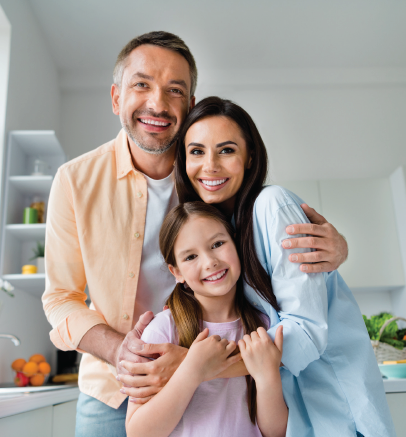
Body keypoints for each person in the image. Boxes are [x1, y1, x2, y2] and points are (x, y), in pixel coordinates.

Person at [42, 31, 348, 436]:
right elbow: (60, 298)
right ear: (116, 97)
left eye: (174, 90)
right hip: (115, 388)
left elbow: (264, 247)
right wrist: (123, 353)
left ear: (189, 106)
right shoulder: (75, 181)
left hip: (219, 375)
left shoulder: (208, 178)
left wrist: (337, 253)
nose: (157, 103)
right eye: (141, 85)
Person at [170, 96, 394, 436]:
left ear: (250, 158)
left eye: (227, 150)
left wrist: (196, 369)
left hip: (335, 409)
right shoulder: (217, 229)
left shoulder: (272, 207)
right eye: (197, 152)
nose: (210, 165)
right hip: (286, 413)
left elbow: (305, 334)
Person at [124, 202, 287, 437]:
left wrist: (267, 376)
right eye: (190, 256)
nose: (210, 261)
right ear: (176, 272)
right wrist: (191, 370)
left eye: (218, 244)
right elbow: (139, 433)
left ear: (236, 243)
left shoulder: (265, 327)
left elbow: (276, 433)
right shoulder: (162, 331)